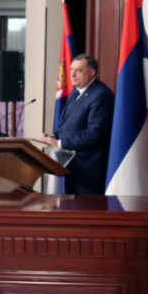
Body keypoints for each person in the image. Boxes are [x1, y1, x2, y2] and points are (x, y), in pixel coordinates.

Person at [39, 53, 115, 195]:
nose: (72, 74)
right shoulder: (76, 91)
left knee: (86, 207)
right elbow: (69, 125)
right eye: (71, 69)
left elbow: (94, 134)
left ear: (91, 73)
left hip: (88, 170)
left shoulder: (101, 95)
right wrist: (53, 136)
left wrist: (59, 143)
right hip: (71, 166)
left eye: (78, 71)